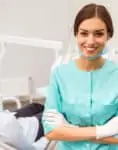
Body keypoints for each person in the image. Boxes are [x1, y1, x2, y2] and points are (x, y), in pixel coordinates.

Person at [42, 3, 118, 150]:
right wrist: (103, 131)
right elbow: (51, 131)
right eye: (84, 33)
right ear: (76, 34)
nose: (90, 41)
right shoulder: (59, 74)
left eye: (98, 33)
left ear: (108, 35)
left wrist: (70, 129)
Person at [0, 66, 49, 150]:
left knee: (35, 107)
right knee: (55, 113)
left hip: (7, 121)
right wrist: (48, 138)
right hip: (28, 133)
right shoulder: (5, 124)